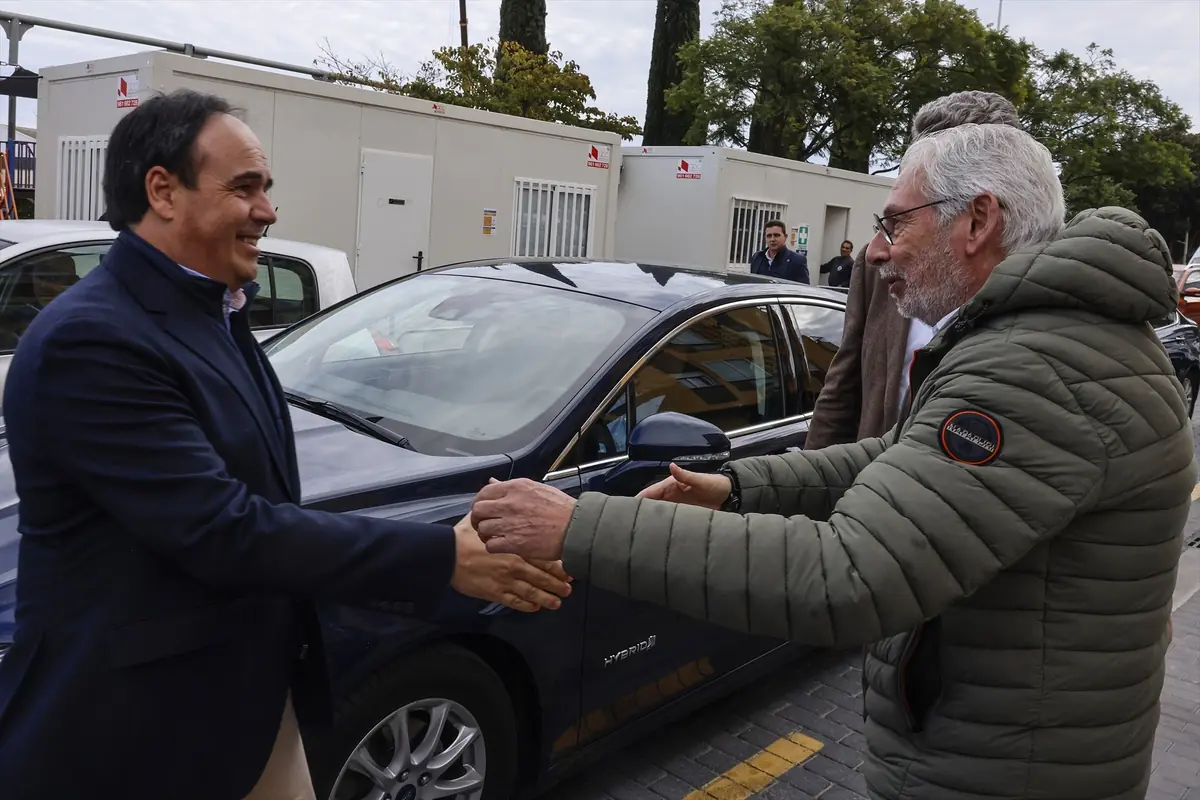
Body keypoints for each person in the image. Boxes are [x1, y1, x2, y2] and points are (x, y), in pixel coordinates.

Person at [467, 123, 1195, 800]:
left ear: (977, 221)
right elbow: (903, 459)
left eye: (896, 222)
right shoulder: (1048, 344)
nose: (877, 251)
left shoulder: (1032, 368)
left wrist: (580, 528)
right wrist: (740, 487)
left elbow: (847, 575)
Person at [0, 89, 571, 800]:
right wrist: (441, 558)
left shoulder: (213, 306)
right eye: (245, 188)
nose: (268, 210)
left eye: (265, 188)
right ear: (163, 191)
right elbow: (221, 530)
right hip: (140, 736)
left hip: (243, 706)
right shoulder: (92, 341)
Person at [804, 90, 1023, 449]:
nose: (880, 249)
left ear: (981, 215)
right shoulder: (877, 263)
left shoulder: (1044, 289)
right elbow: (842, 387)